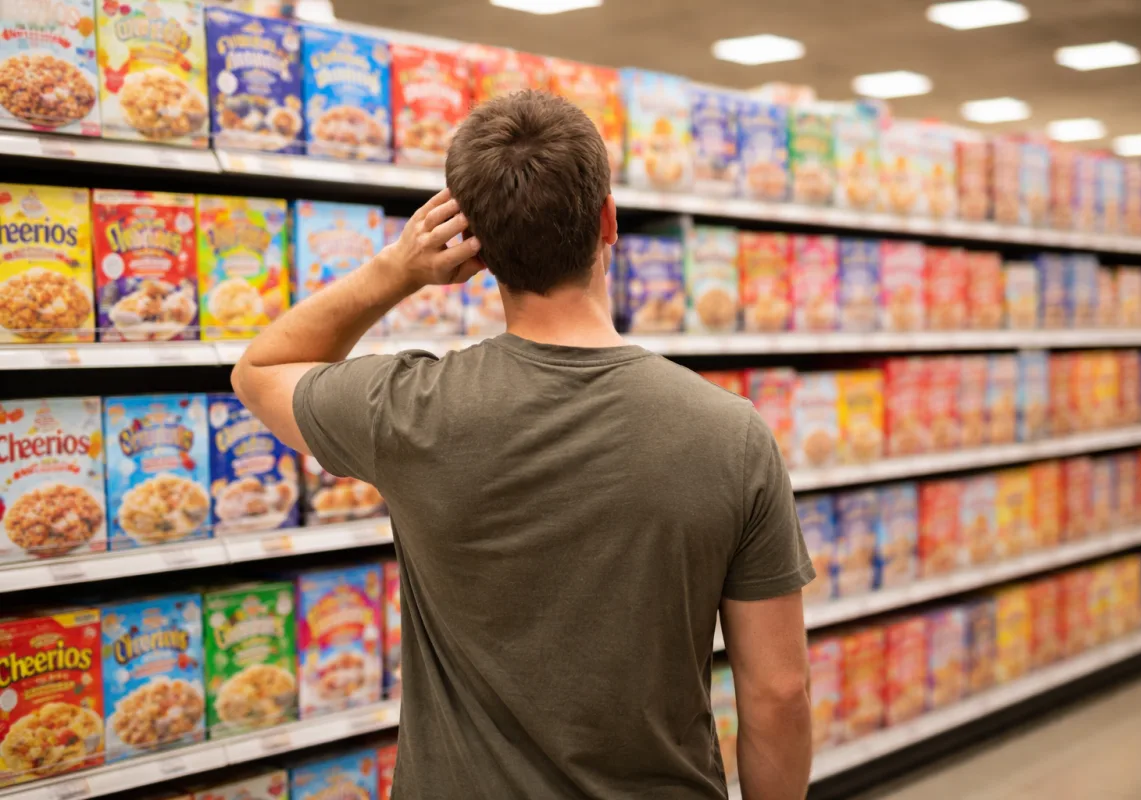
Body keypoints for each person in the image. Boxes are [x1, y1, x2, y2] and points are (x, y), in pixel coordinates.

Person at [233, 90, 814, 800]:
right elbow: (778, 692)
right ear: (608, 220)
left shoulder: (407, 408)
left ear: (474, 246)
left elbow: (257, 371)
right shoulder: (732, 434)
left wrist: (397, 270)